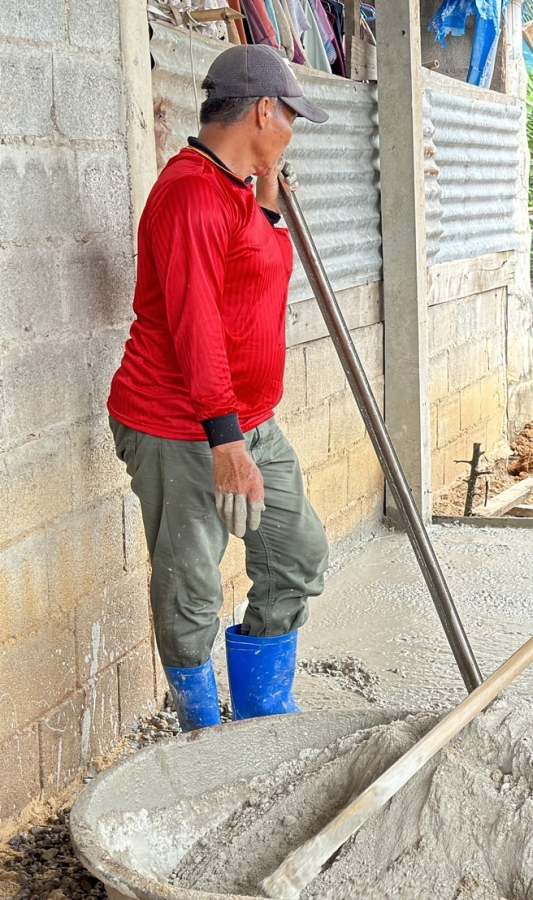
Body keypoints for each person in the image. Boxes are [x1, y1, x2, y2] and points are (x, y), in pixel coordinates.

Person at [107, 45, 331, 732]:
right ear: (264, 111)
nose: (293, 132)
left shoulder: (236, 186)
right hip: (182, 426)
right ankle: (203, 737)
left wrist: (267, 197)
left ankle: (262, 715)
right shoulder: (189, 195)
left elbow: (251, 266)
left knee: (296, 555)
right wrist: (225, 440)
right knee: (192, 590)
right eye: (291, 118)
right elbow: (196, 327)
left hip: (244, 420)